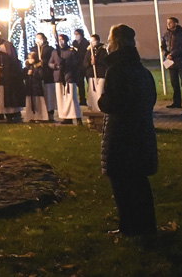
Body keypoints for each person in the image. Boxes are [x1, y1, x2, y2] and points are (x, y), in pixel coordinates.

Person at [98, 23, 158, 238]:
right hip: (140, 131)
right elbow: (150, 98)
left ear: (116, 43)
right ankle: (146, 226)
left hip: (122, 134)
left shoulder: (116, 70)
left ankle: (129, 228)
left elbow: (112, 103)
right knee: (139, 183)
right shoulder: (140, 69)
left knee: (122, 184)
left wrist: (102, 101)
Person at [0, 29, 25, 123]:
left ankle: (11, 113)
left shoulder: (7, 45)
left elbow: (12, 58)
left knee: (7, 93)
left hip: (7, 72)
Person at [51, 33, 82, 124]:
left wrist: (67, 64)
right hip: (59, 77)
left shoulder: (72, 51)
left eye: (62, 40)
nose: (61, 42)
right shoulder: (55, 52)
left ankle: (77, 117)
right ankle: (66, 117)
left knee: (71, 98)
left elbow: (76, 63)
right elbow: (50, 63)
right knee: (62, 99)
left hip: (69, 77)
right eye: (59, 40)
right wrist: (56, 66)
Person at [161, 17, 182, 109]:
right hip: (170, 62)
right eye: (167, 23)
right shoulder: (166, 35)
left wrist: (172, 54)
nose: (168, 24)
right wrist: (166, 54)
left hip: (181, 61)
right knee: (174, 82)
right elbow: (163, 46)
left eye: (170, 22)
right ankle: (176, 102)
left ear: (176, 23)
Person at [31, 32, 57, 121]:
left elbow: (52, 59)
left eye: (40, 38)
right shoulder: (33, 49)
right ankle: (40, 114)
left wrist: (44, 62)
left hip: (47, 75)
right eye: (36, 38)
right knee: (39, 96)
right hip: (37, 76)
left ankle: (50, 113)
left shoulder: (49, 49)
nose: (38, 40)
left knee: (49, 95)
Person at [85, 33, 109, 112]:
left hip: (100, 74)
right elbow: (85, 63)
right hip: (92, 75)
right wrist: (90, 62)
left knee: (100, 92)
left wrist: (97, 61)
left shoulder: (103, 50)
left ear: (98, 41)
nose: (92, 42)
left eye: (94, 41)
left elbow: (106, 62)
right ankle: (94, 108)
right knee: (93, 93)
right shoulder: (89, 51)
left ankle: (100, 109)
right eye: (91, 41)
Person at [24, 52, 50, 122]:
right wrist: (27, 73)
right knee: (30, 102)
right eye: (29, 58)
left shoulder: (38, 67)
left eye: (31, 58)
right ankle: (31, 116)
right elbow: (23, 75)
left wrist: (34, 74)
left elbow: (41, 76)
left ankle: (40, 117)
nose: (30, 60)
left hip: (37, 88)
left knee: (38, 103)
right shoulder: (27, 67)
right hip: (29, 88)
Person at [70, 27, 90, 102]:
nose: (76, 36)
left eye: (77, 34)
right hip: (78, 66)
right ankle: (82, 99)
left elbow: (84, 53)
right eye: (75, 34)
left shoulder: (85, 43)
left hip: (84, 64)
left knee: (88, 82)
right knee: (80, 83)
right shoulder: (74, 42)